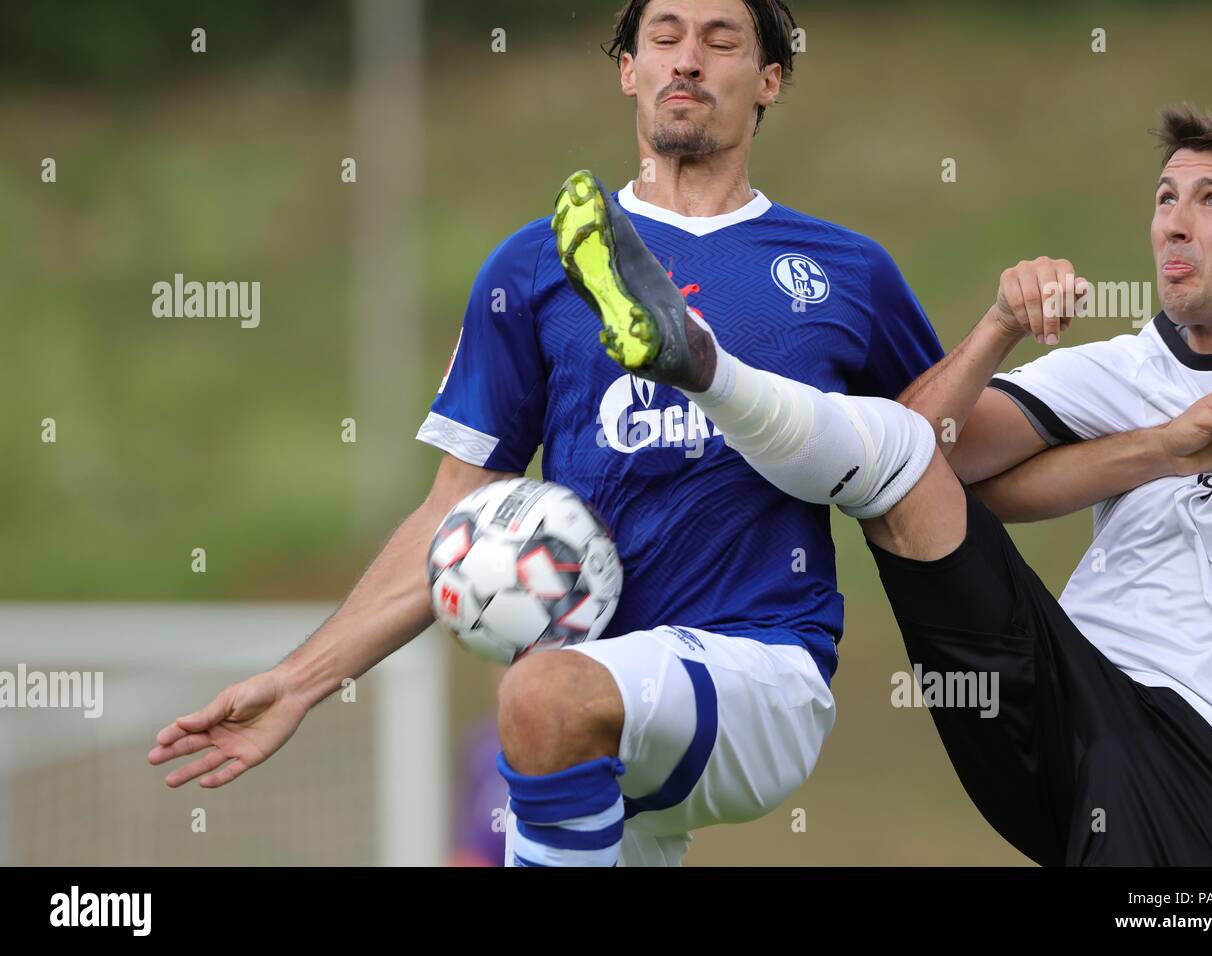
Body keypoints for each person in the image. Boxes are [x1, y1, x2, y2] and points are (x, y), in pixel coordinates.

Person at [149, 0, 947, 866]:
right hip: (593, 707)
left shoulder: (845, 270)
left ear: (768, 81)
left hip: (760, 665)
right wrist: (298, 683)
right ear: (627, 70)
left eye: (721, 40)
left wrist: (1018, 353)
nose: (688, 60)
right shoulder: (535, 264)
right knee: (544, 714)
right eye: (664, 37)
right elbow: (452, 511)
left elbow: (948, 449)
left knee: (537, 695)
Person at [569, 104, 1212, 864]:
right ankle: (704, 364)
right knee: (897, 457)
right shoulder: (1124, 368)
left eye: (1211, 199)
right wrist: (1001, 326)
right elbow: (925, 450)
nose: (1174, 223)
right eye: (1165, 198)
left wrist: (1170, 452)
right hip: (1056, 699)